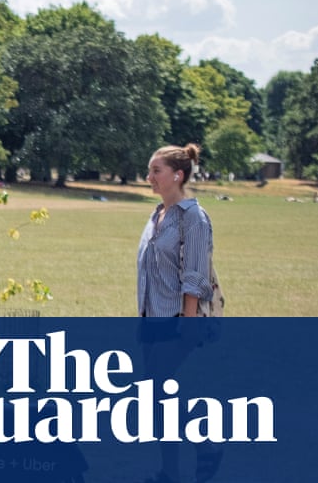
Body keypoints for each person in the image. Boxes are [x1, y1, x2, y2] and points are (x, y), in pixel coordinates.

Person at [136, 143, 222, 483]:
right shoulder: (157, 215)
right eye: (150, 170)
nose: (149, 177)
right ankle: (170, 471)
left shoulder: (193, 218)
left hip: (179, 321)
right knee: (158, 400)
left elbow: (196, 272)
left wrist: (188, 321)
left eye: (156, 171)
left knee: (160, 392)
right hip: (152, 320)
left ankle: (207, 447)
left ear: (178, 175)